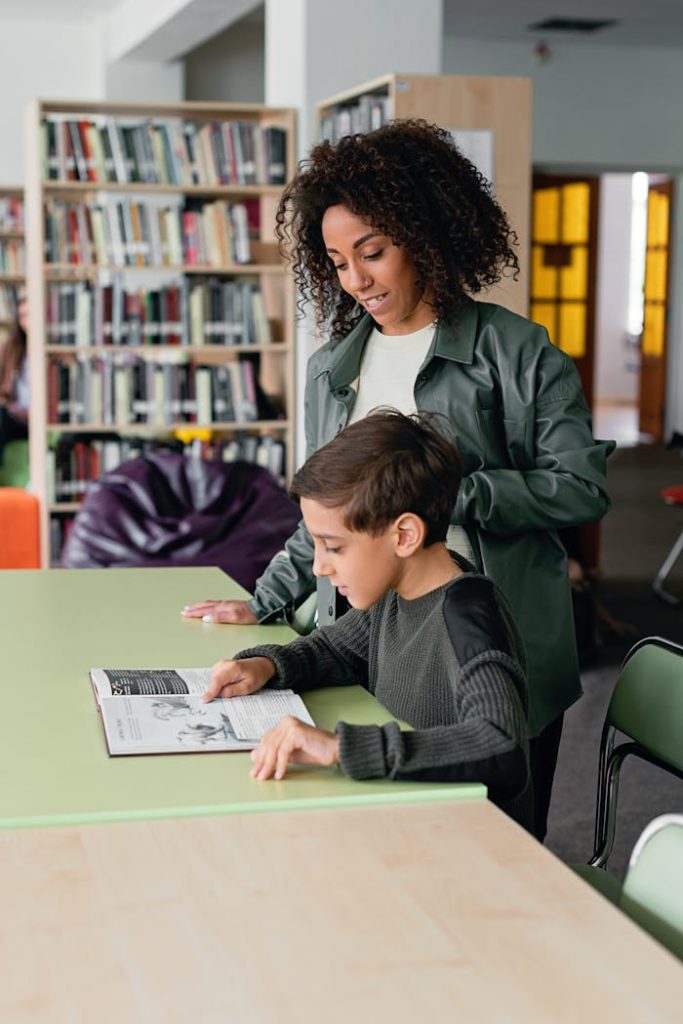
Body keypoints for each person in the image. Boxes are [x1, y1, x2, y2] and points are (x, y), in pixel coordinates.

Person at [183, 119, 614, 839]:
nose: (356, 279)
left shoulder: (517, 352)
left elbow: (580, 487)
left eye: (373, 253)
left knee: (502, 843)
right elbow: (326, 514)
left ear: (426, 234)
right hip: (378, 636)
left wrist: (446, 494)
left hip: (495, 637)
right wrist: (261, 604)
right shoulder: (333, 368)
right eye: (337, 260)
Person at [203, 410, 532, 829]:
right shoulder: (396, 592)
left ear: (404, 535)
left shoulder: (469, 616)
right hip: (406, 812)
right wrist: (266, 664)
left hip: (468, 843)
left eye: (333, 548)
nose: (318, 568)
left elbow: (502, 750)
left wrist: (341, 749)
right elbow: (334, 648)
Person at [0, 292, 28, 465]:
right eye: (23, 316)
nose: (27, 321)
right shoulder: (10, 348)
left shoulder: (51, 351)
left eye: (30, 315)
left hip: (41, 419)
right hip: (14, 416)